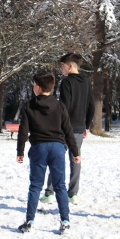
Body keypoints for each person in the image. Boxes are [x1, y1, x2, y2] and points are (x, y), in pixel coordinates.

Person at [16, 72, 80, 234]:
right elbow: (68, 131)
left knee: (35, 186)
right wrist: (75, 151)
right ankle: (65, 222)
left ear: (38, 87)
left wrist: (20, 151)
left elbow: (23, 131)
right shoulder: (59, 106)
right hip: (57, 148)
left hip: (38, 148)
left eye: (33, 85)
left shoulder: (29, 106)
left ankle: (29, 221)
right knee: (60, 186)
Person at [41, 53, 94, 205]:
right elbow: (91, 106)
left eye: (62, 66)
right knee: (75, 159)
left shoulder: (66, 82)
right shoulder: (86, 82)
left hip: (65, 128)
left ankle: (50, 193)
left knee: (56, 158)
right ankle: (73, 194)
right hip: (79, 128)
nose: (61, 69)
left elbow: (64, 107)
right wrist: (86, 126)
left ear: (70, 66)